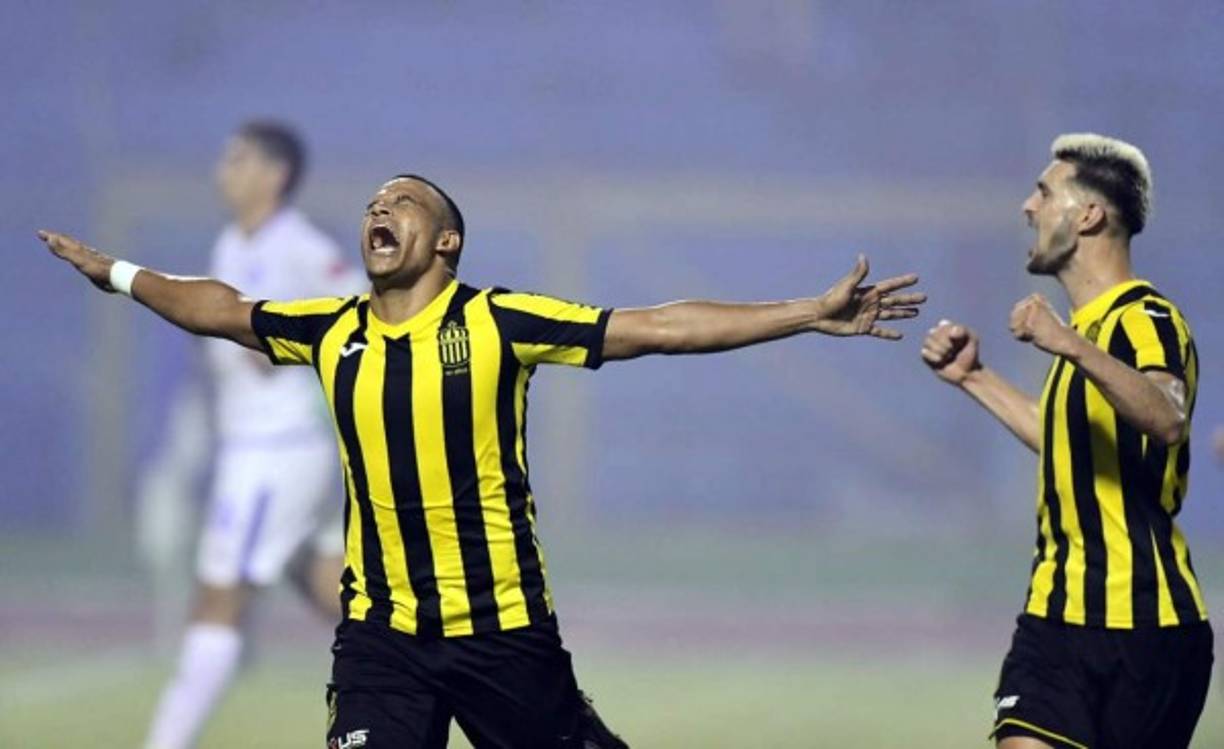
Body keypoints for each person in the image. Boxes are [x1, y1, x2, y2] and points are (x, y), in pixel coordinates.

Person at [39, 173, 925, 748]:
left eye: (403, 203)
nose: (379, 210)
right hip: (379, 637)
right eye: (373, 203)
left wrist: (807, 312)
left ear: (447, 242)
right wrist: (117, 274)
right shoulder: (331, 328)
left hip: (502, 634)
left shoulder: (498, 320)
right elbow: (219, 308)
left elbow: (659, 327)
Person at [921, 134, 1211, 749]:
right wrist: (974, 378)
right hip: (1054, 618)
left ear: (1089, 215)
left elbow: (1167, 417)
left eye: (1045, 192)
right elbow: (1066, 443)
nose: (1029, 206)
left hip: (1147, 627)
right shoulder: (1083, 333)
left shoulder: (1145, 318)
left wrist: (1071, 345)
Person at [140, 121, 363, 749]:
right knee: (319, 576)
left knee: (219, 598)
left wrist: (289, 345)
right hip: (257, 446)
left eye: (237, 159)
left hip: (276, 450)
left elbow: (364, 313)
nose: (224, 170)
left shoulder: (298, 246)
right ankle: (435, 666)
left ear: (275, 174)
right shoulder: (233, 243)